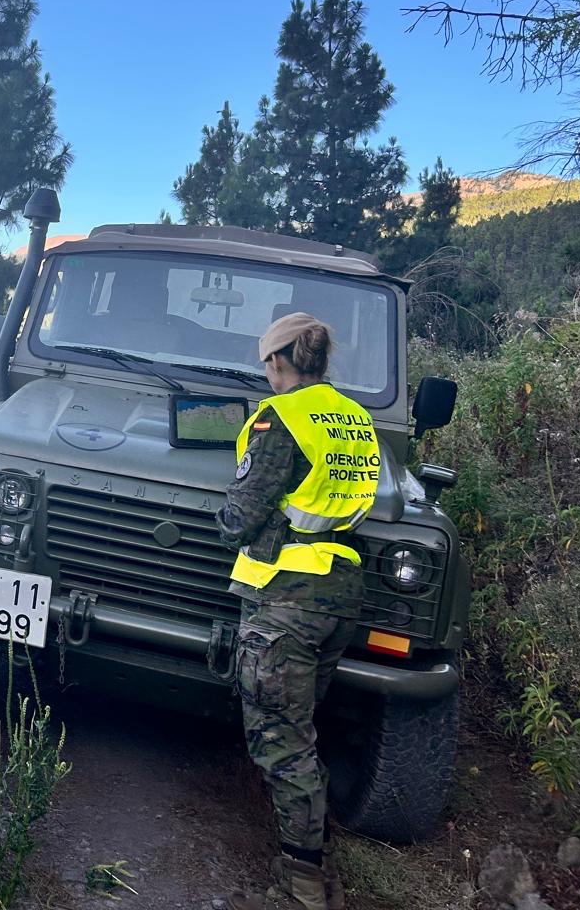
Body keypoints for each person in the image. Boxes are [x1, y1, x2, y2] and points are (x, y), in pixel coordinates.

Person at [217, 312, 380, 910]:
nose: (265, 373)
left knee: (283, 744)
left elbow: (243, 514)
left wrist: (224, 515)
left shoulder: (278, 418)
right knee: (301, 731)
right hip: (340, 592)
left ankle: (303, 886)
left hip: (287, 595)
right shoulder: (354, 419)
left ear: (279, 360)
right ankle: (316, 859)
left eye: (266, 362)